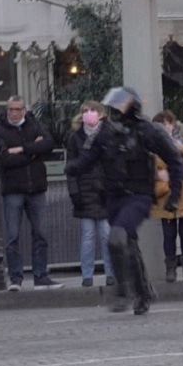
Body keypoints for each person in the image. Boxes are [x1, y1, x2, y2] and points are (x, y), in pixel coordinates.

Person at [65, 87, 183, 315]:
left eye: (120, 106)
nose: (115, 110)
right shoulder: (105, 132)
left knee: (117, 238)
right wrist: (73, 168)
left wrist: (175, 195)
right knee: (127, 244)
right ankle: (142, 292)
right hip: (113, 196)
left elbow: (175, 160)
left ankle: (123, 291)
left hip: (139, 195)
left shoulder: (147, 130)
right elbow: (89, 159)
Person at [0, 96, 63, 291]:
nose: (13, 113)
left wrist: (23, 149)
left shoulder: (35, 125)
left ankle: (41, 276)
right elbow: (3, 157)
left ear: (24, 110)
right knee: (13, 235)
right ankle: (16, 278)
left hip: (36, 187)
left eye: (17, 109)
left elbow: (48, 144)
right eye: (10, 109)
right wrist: (33, 153)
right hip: (13, 189)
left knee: (40, 233)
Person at [65, 101, 115, 287]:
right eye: (85, 111)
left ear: (101, 113)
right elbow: (71, 168)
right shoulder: (75, 138)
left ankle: (111, 273)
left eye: (93, 110)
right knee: (87, 236)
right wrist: (74, 193)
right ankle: (87, 275)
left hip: (104, 193)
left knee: (106, 234)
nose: (89, 114)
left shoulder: (109, 135)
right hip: (84, 192)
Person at [151, 110, 183, 283]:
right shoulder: (152, 142)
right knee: (168, 234)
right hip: (166, 193)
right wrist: (158, 173)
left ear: (173, 124)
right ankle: (171, 270)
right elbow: (147, 163)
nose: (164, 127)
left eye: (166, 123)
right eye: (160, 124)